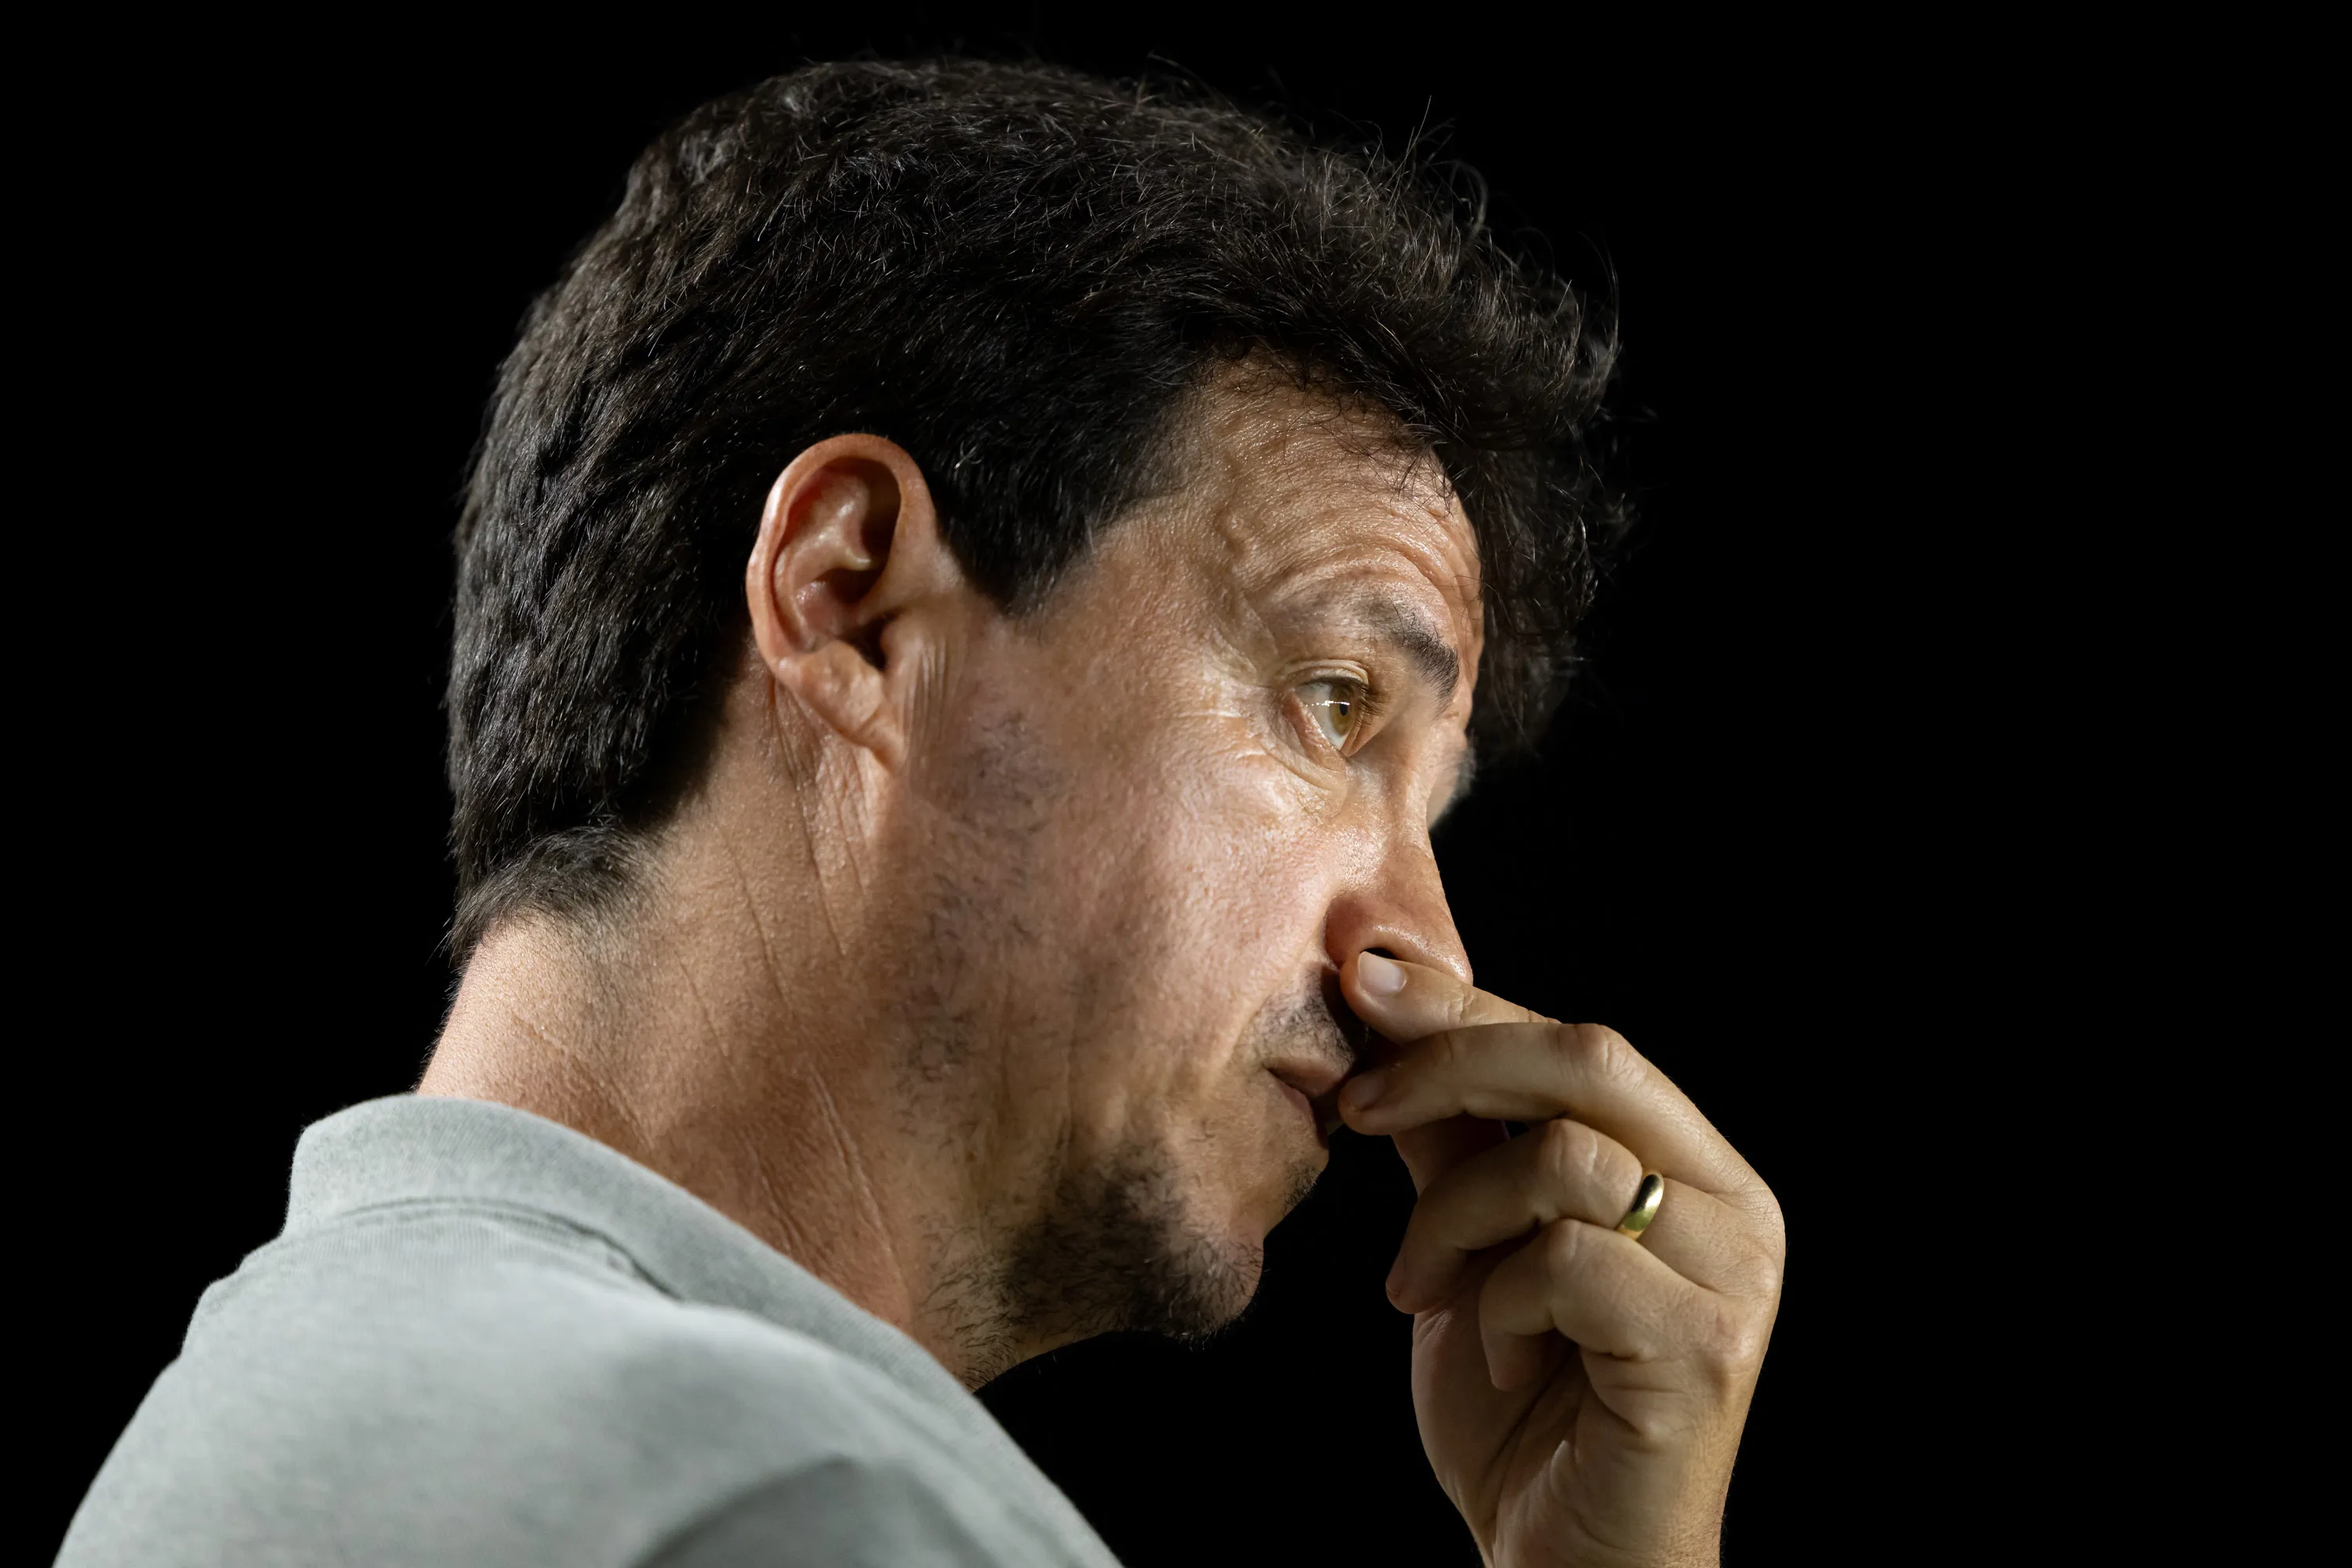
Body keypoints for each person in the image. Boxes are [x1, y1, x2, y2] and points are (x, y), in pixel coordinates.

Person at [61, 59, 1784, 1567]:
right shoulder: (785, 1500)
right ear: (852, 604)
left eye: (1429, 803)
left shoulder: (286, 1395)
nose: (1424, 940)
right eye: (1334, 705)